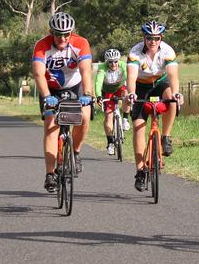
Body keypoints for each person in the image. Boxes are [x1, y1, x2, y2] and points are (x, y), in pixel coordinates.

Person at [32, 12, 94, 193]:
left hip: (75, 87)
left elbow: (86, 72)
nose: (63, 38)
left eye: (67, 34)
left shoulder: (81, 43)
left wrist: (88, 94)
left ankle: (75, 152)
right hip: (50, 89)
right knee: (51, 126)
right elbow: (38, 74)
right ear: (51, 32)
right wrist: (46, 96)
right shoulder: (42, 45)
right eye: (58, 34)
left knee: (84, 116)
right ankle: (50, 174)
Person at [126, 20, 182, 191]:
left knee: (170, 97)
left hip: (159, 83)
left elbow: (173, 76)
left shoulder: (167, 51)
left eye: (156, 38)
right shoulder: (135, 52)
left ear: (161, 38)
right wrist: (131, 94)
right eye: (149, 38)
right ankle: (141, 171)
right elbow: (131, 77)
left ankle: (166, 136)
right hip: (140, 86)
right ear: (144, 38)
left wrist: (177, 93)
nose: (153, 42)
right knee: (138, 127)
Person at [95, 48, 131, 156]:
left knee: (126, 94)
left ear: (118, 60)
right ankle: (110, 142)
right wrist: (99, 96)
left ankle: (125, 118)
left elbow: (128, 77)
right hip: (107, 91)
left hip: (120, 88)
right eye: (110, 62)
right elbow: (98, 82)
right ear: (107, 62)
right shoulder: (102, 67)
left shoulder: (123, 65)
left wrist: (132, 91)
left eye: (115, 61)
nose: (113, 64)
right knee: (108, 116)